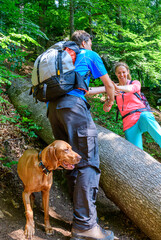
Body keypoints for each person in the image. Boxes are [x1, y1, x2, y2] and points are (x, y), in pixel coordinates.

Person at [47, 30, 115, 240]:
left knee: (71, 162)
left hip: (53, 110)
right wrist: (109, 100)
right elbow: (109, 85)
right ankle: (86, 225)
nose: (91, 46)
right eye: (91, 42)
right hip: (75, 110)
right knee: (87, 162)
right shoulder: (88, 55)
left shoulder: (63, 60)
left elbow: (82, 89)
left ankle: (80, 224)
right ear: (85, 42)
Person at [89, 62, 161, 168]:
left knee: (147, 117)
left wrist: (115, 88)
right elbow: (106, 109)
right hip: (128, 123)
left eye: (123, 72)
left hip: (141, 116)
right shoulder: (114, 89)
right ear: (116, 74)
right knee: (136, 156)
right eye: (119, 73)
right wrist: (110, 99)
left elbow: (131, 89)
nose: (121, 75)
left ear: (127, 72)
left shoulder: (134, 83)